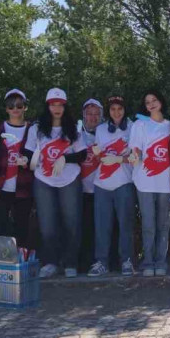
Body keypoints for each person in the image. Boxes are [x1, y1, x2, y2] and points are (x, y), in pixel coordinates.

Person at [23, 88, 88, 279]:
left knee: (72, 222)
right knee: (47, 224)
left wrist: (65, 159)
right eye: (53, 104)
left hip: (69, 180)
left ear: (65, 107)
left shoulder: (74, 128)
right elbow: (28, 152)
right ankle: (50, 262)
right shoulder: (37, 128)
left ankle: (70, 263)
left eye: (60, 104)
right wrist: (27, 160)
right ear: (47, 106)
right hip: (44, 180)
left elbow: (83, 154)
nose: (57, 108)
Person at [0, 89, 35, 279]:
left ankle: (20, 265)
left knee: (22, 227)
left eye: (19, 105)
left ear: (25, 107)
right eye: (11, 105)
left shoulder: (32, 130)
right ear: (6, 108)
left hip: (24, 186)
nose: (15, 109)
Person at [88, 95, 136, 277]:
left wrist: (120, 158)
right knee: (102, 225)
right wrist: (99, 154)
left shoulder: (133, 127)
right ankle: (101, 262)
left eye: (120, 109)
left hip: (124, 182)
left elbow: (136, 157)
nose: (116, 112)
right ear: (108, 111)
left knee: (125, 224)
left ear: (125, 110)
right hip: (102, 184)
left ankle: (127, 261)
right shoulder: (100, 129)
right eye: (113, 109)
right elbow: (99, 156)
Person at [131, 90, 170, 277]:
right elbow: (136, 149)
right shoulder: (140, 125)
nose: (151, 104)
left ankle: (161, 262)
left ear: (161, 102)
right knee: (148, 224)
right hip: (144, 182)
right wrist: (135, 155)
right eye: (147, 102)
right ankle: (147, 262)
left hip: (165, 183)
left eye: (154, 100)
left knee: (163, 224)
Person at [78, 99, 104, 269]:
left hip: (101, 189)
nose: (93, 117)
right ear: (84, 115)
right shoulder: (75, 131)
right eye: (89, 113)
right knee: (83, 227)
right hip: (80, 190)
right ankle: (82, 262)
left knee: (101, 228)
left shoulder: (107, 132)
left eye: (96, 114)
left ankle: (102, 260)